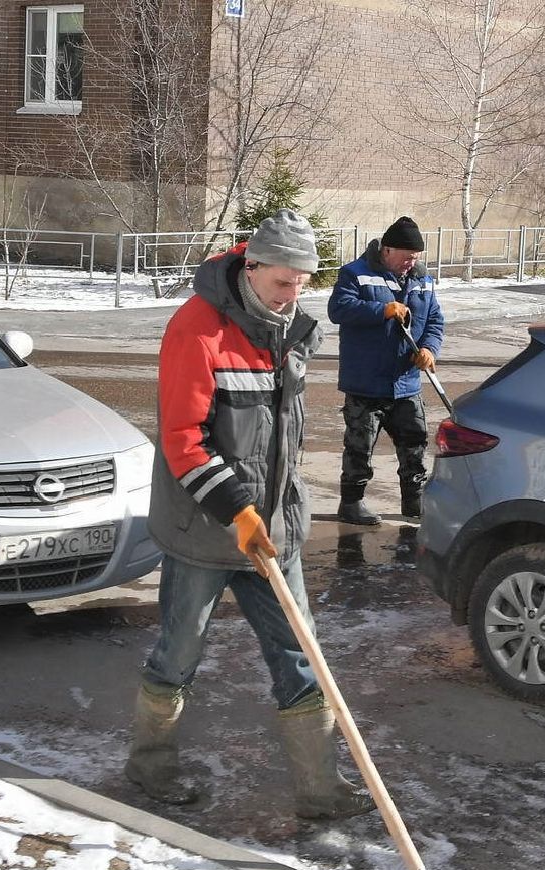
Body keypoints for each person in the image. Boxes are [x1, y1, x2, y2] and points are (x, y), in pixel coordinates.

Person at [129, 208, 374, 821]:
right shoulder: (199, 328)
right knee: (179, 652)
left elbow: (281, 441)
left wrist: (279, 517)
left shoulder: (290, 331)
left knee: (302, 655)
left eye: (303, 283)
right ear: (252, 266)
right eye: (282, 281)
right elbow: (184, 439)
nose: (293, 295)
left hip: (277, 533)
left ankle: (320, 789)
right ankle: (149, 762)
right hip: (205, 532)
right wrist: (238, 512)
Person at [327, 215, 445, 525]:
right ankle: (351, 503)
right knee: (359, 445)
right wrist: (381, 309)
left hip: (406, 381)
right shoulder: (356, 274)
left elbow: (435, 321)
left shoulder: (423, 280)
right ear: (388, 250)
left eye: (415, 258)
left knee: (415, 443)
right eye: (406, 258)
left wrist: (430, 349)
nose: (410, 263)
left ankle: (414, 501)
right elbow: (338, 309)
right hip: (366, 381)